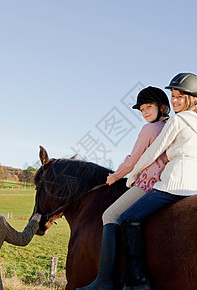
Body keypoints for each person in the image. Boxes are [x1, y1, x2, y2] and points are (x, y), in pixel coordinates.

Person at [119, 72, 197, 289]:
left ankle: (137, 280)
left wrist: (132, 176)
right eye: (174, 96)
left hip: (176, 183)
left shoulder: (178, 119)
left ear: (193, 99)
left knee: (128, 217)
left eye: (180, 97)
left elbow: (153, 153)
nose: (175, 101)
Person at [78, 86, 170, 290]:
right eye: (142, 109)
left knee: (110, 215)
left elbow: (133, 160)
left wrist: (115, 176)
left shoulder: (149, 129)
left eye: (149, 107)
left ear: (162, 107)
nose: (144, 112)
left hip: (148, 184)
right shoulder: (171, 127)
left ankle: (104, 280)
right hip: (168, 182)